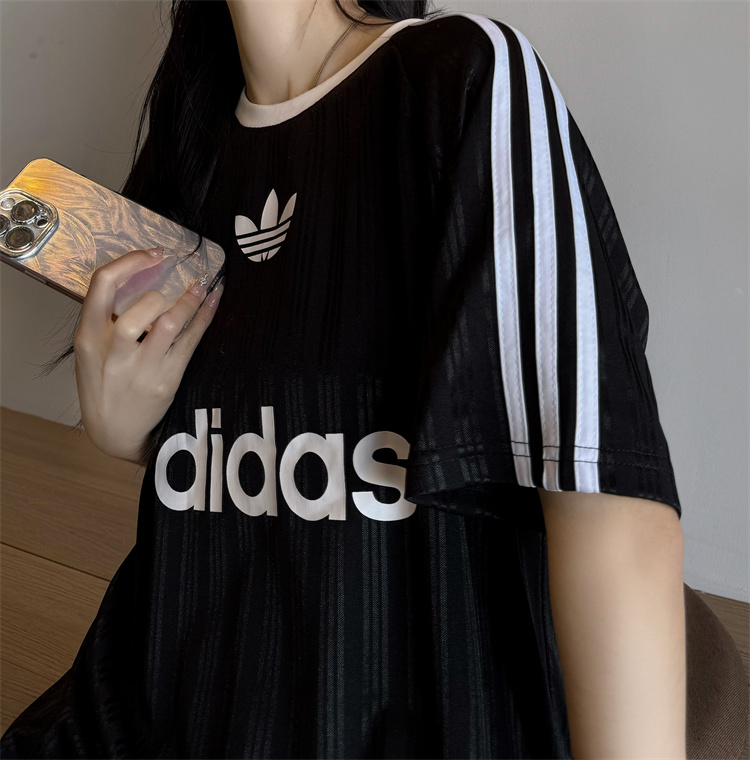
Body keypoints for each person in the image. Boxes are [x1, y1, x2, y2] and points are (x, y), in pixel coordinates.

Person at [1, 0, 687, 757]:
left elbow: (602, 487)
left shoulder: (458, 76)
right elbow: (231, 479)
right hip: (149, 709)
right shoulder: (191, 144)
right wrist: (123, 430)